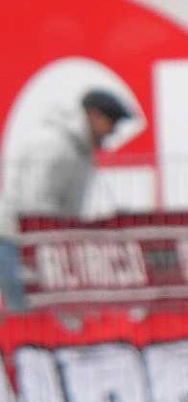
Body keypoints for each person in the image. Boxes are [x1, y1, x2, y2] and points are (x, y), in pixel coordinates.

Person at [0, 89, 133, 309]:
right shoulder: (55, 144)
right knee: (25, 313)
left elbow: (65, 206)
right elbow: (36, 203)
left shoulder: (80, 149)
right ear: (94, 116)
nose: (112, 132)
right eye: (111, 123)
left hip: (35, 242)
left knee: (34, 313)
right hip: (15, 239)